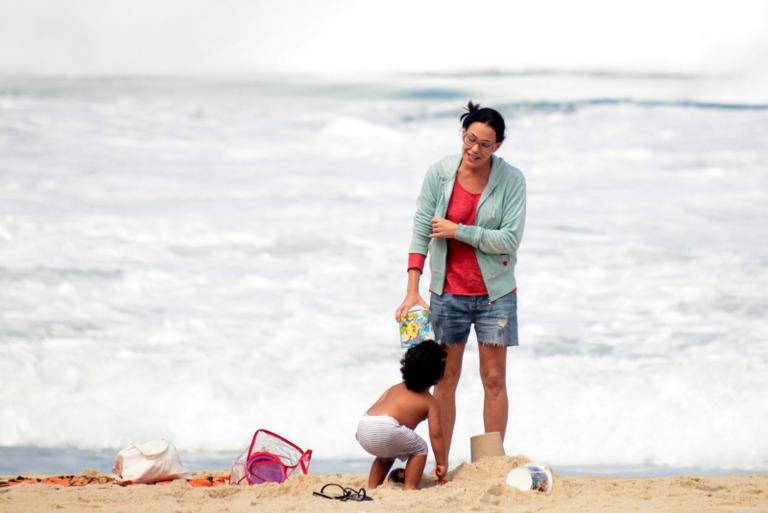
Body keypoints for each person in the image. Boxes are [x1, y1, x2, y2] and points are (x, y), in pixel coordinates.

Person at [395, 101, 526, 462]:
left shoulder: (511, 180)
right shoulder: (439, 174)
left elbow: (510, 240)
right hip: (447, 294)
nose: (475, 150)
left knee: (494, 380)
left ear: (497, 146)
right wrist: (412, 289)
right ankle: (440, 463)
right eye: (470, 140)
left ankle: (489, 464)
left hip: (495, 295)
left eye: (485, 144)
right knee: (446, 380)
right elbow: (422, 228)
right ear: (462, 134)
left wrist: (459, 231)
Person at [356, 340, 448, 490]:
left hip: (364, 425)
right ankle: (410, 487)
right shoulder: (430, 402)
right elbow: (436, 435)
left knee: (386, 455)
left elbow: (377, 406)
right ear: (438, 374)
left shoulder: (393, 389)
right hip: (386, 428)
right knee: (420, 448)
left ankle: (372, 487)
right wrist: (441, 462)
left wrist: (360, 432)